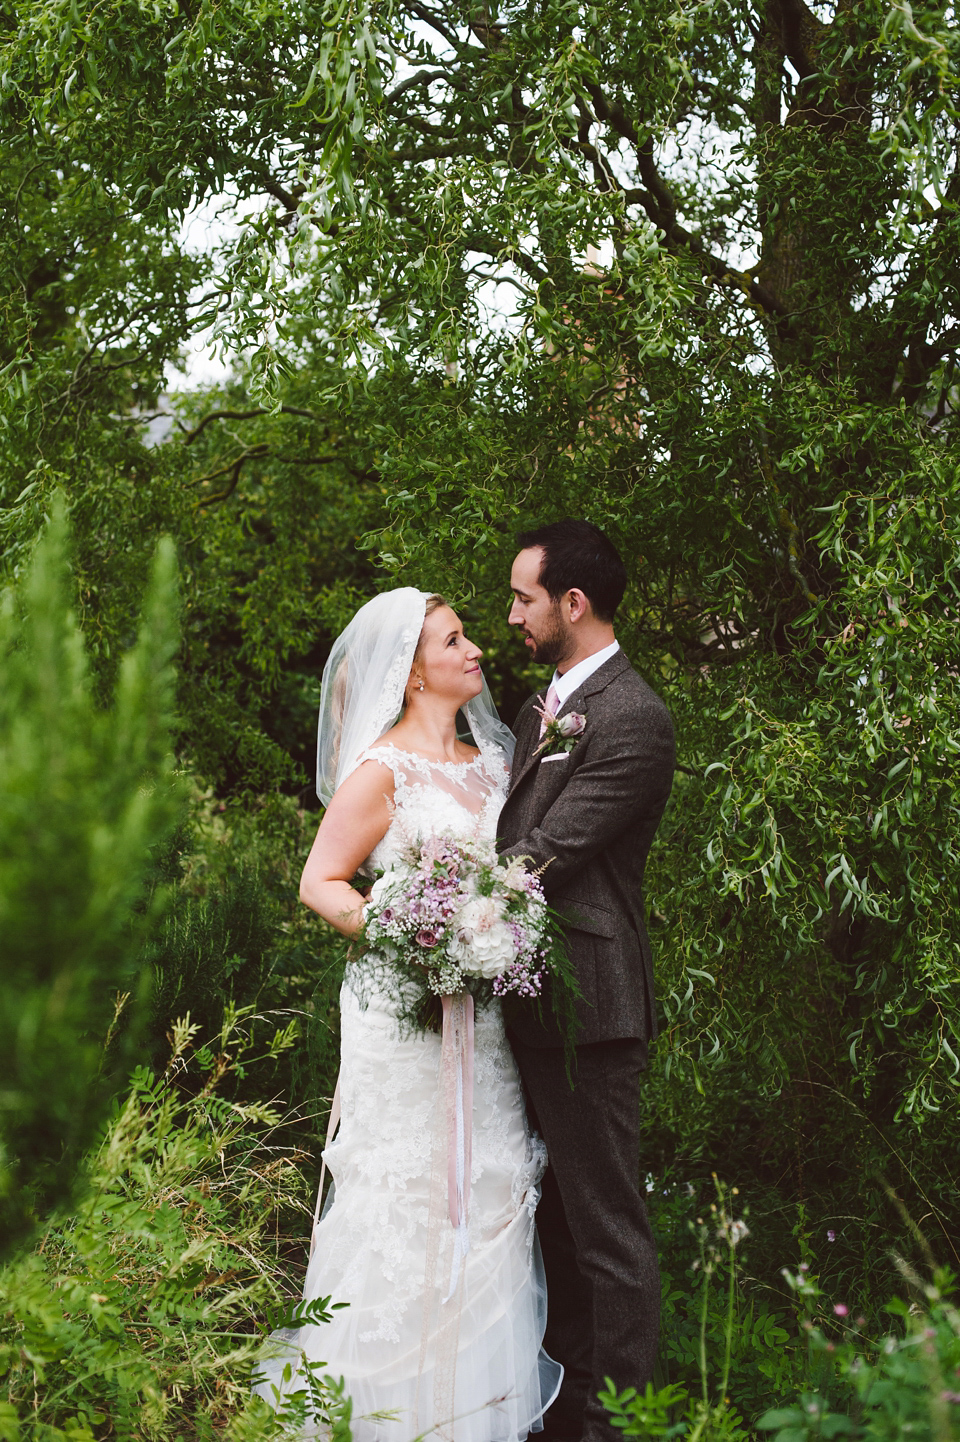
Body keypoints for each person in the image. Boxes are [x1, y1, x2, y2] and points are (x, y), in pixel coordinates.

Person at [255, 587, 561, 1441]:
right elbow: (320, 883)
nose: (475, 651)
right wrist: (409, 938)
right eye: (454, 640)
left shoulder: (499, 764)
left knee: (493, 1184)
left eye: (466, 635)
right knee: (406, 1195)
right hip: (404, 1017)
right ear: (413, 671)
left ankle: (471, 1416)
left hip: (489, 1017)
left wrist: (488, 939)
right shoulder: (381, 771)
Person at [498, 520, 676, 1442]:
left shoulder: (634, 716)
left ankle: (622, 1427)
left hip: (593, 1008)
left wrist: (439, 906)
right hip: (523, 1000)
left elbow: (550, 852)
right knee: (549, 1226)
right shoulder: (538, 709)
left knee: (607, 1232)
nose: (513, 614)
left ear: (573, 602)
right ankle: (562, 1414)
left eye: (524, 597)